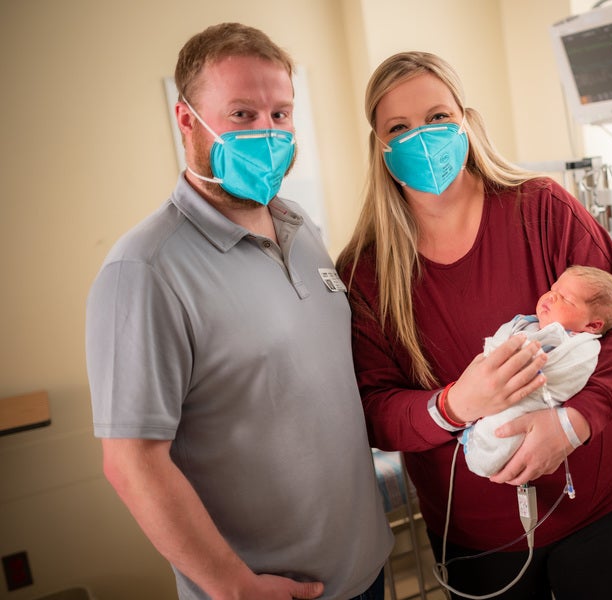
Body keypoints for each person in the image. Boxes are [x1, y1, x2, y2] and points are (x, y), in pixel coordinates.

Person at [85, 23, 393, 600]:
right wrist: (232, 586)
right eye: (243, 114)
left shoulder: (301, 228)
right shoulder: (145, 271)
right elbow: (132, 464)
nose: (268, 133)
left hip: (365, 569)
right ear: (186, 121)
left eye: (281, 114)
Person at [336, 51, 612, 599]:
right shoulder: (364, 275)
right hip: (477, 537)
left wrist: (575, 422)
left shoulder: (541, 208)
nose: (423, 136)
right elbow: (373, 411)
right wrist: (456, 404)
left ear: (466, 120)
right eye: (399, 127)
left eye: (438, 117)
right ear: (380, 148)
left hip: (601, 505)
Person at [462, 265, 612, 478]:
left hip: (528, 408)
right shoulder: (527, 325)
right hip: (483, 399)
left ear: (593, 325)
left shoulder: (581, 346)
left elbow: (560, 378)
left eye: (566, 299)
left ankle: (482, 450)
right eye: (553, 289)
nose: (551, 297)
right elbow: (496, 348)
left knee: (502, 430)